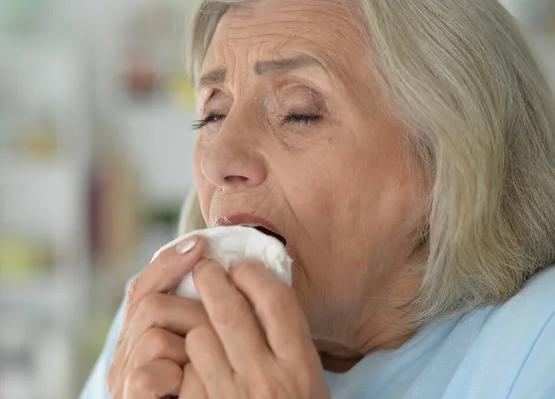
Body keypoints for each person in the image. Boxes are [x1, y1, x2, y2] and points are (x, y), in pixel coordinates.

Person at [80, 0, 555, 397]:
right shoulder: (162, 326)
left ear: (449, 158)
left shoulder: (538, 342)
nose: (216, 160)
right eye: (213, 114)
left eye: (298, 113)